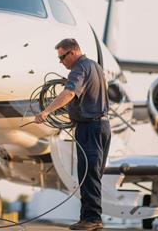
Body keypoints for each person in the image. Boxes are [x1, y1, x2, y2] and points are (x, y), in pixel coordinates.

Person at [35, 38, 111, 230]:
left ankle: (92, 219)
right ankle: (89, 218)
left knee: (88, 174)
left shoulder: (80, 68)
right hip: (101, 127)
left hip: (90, 127)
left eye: (62, 57)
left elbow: (69, 93)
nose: (61, 62)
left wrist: (46, 112)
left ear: (72, 53)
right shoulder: (95, 67)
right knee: (92, 173)